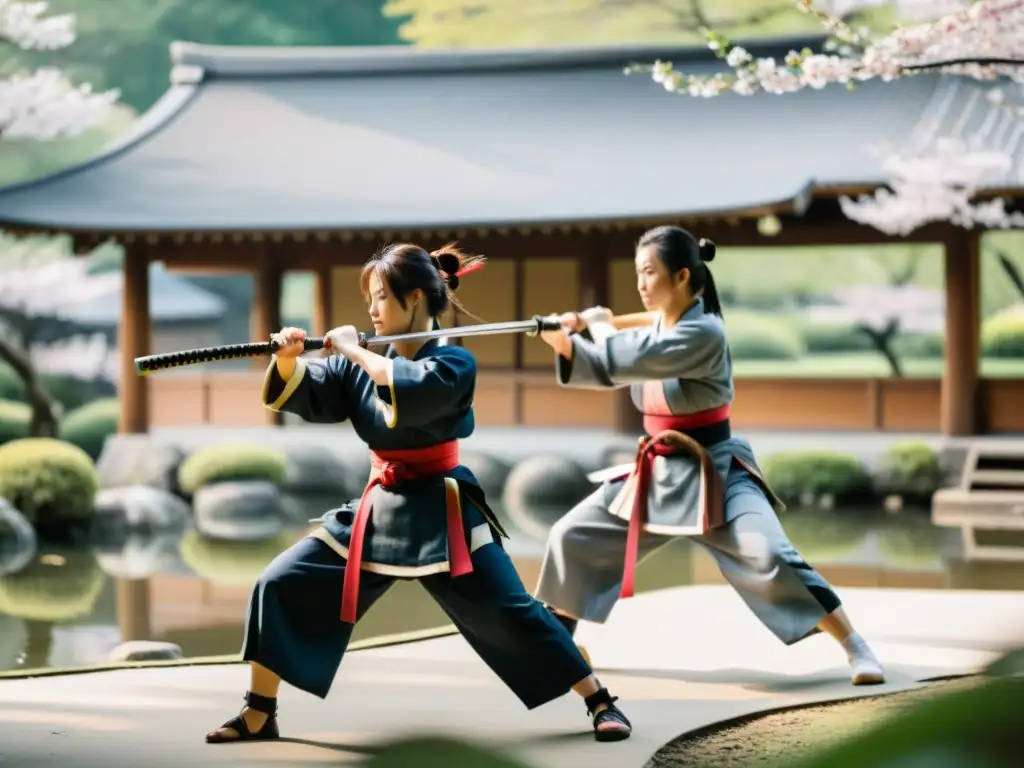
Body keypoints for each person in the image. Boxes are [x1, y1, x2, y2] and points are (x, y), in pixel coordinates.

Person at [205, 243, 632, 745]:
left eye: (380, 298)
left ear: (414, 300)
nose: (370, 310)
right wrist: (288, 361)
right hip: (378, 506)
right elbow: (314, 391)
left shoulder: (453, 362)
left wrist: (350, 349)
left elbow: (401, 387)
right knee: (280, 581)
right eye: (369, 299)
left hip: (443, 507)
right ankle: (259, 711)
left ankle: (598, 699)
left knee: (512, 611)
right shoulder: (363, 361)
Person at [534, 225, 886, 687]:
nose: (640, 284)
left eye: (649, 273)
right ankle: (563, 644)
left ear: (682, 276)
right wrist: (564, 342)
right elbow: (608, 367)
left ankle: (854, 645)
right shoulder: (658, 327)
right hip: (657, 470)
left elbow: (628, 357)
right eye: (638, 273)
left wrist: (598, 323)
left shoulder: (704, 332)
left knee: (769, 553)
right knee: (573, 534)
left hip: (715, 468)